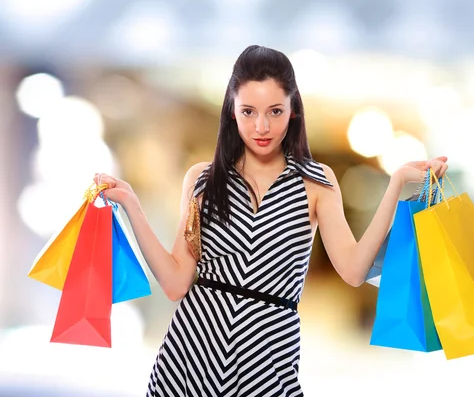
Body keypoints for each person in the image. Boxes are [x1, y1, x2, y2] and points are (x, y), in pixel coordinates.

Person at [94, 45, 448, 397]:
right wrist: (131, 206)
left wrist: (397, 185)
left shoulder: (316, 182)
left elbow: (354, 270)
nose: (261, 127)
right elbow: (175, 283)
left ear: (293, 111)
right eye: (248, 111)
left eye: (274, 111)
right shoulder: (202, 179)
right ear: (231, 111)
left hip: (268, 362)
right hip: (189, 360)